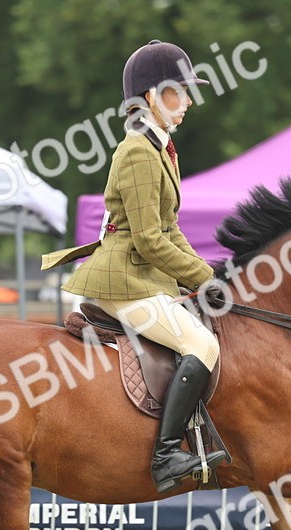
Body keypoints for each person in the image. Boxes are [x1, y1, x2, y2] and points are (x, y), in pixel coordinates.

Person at [41, 40, 227, 493]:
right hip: (125, 279)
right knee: (202, 345)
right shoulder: (138, 152)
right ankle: (165, 458)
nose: (186, 102)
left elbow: (170, 228)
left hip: (143, 275)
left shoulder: (161, 148)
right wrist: (201, 278)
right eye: (176, 92)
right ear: (149, 97)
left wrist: (209, 275)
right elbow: (147, 239)